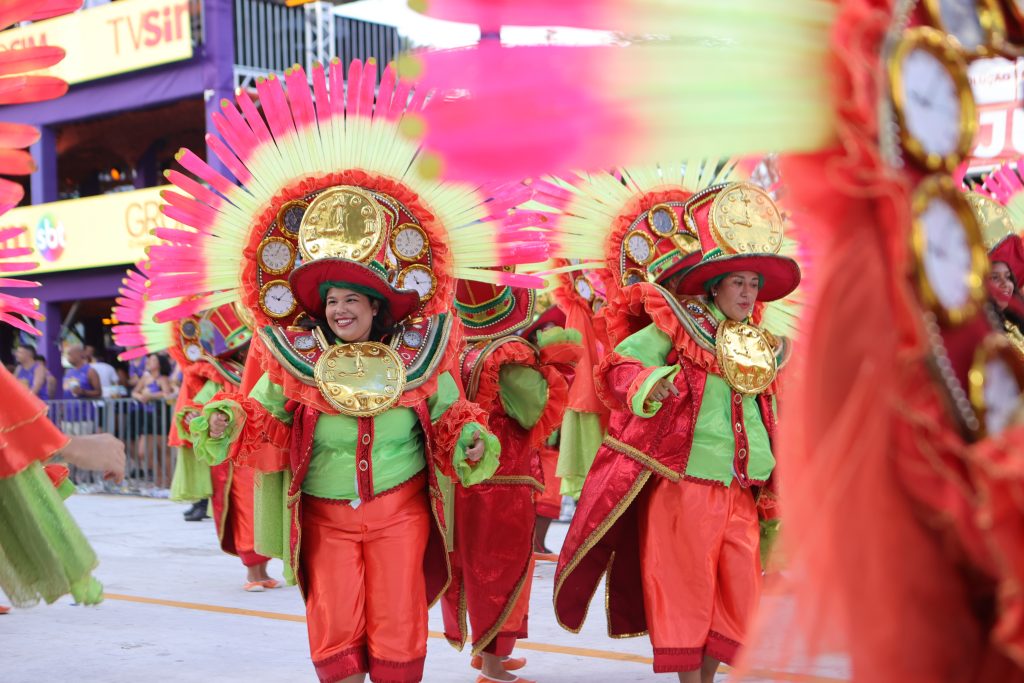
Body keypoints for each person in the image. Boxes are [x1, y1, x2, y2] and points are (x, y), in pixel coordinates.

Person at [145, 58, 541, 683]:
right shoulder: (293, 359)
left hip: (400, 510)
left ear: (378, 304)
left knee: (399, 621)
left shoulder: (422, 356)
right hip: (325, 514)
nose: (339, 309)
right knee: (333, 623)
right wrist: (226, 416)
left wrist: (468, 436)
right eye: (331, 300)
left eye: (353, 299)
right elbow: (264, 417)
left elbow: (450, 417)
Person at [554, 182, 800, 683]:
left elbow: (771, 407)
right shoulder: (677, 323)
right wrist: (652, 383)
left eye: (754, 283)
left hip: (741, 488)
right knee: (685, 592)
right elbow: (618, 368)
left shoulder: (759, 343)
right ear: (714, 286)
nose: (748, 293)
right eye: (738, 283)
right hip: (683, 484)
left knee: (740, 595)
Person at [449, 282, 576, 683]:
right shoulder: (507, 355)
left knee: (475, 567)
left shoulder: (459, 350)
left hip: (467, 480)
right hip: (504, 481)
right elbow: (531, 408)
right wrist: (556, 367)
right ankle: (491, 665)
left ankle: (490, 656)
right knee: (501, 571)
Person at [131, 353, 173, 488]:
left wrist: (151, 395)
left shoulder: (163, 378)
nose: (149, 361)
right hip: (148, 417)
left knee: (163, 452)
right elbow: (134, 392)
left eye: (153, 359)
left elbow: (166, 394)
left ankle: (168, 481)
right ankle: (159, 478)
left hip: (161, 416)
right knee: (143, 452)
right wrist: (141, 396)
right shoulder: (145, 377)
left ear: (160, 363)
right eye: (149, 359)